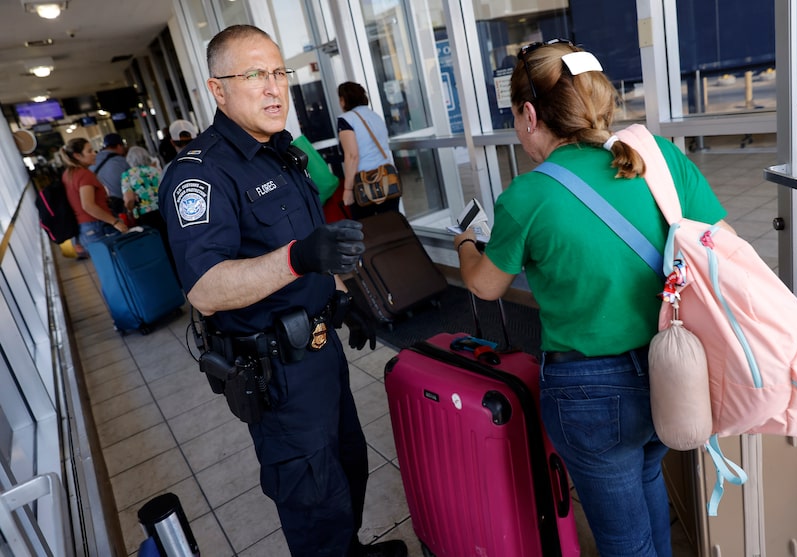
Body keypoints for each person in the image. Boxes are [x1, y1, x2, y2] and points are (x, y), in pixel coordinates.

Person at [453, 39, 734, 557]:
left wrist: (467, 244)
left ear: (531, 114)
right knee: (649, 474)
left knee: (623, 538)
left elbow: (485, 285)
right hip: (672, 366)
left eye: (516, 117)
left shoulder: (527, 195)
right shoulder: (660, 158)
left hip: (589, 392)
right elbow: (721, 246)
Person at [158, 24, 407, 557]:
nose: (274, 87)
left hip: (322, 352)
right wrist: (299, 260)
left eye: (278, 72)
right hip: (278, 372)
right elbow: (204, 288)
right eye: (254, 74)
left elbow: (314, 246)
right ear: (218, 89)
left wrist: (345, 299)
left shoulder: (283, 152)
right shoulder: (199, 175)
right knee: (313, 497)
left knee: (348, 466)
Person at [337, 81, 400, 220]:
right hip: (388, 179)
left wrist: (347, 189)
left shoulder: (346, 120)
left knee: (367, 230)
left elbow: (352, 155)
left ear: (343, 100)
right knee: (392, 225)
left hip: (365, 184)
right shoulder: (375, 116)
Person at [59, 137, 128, 250]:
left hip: (84, 228)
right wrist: (115, 222)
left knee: (106, 264)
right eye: (89, 151)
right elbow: (88, 205)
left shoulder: (68, 174)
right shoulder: (84, 174)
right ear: (77, 156)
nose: (94, 154)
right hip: (97, 226)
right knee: (119, 261)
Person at [121, 145, 172, 261]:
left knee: (154, 248)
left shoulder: (127, 175)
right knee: (168, 244)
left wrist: (129, 209)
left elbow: (129, 200)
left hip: (144, 216)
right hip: (163, 212)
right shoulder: (156, 171)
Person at [92, 132, 130, 216]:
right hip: (120, 204)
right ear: (119, 146)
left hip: (101, 205)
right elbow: (131, 182)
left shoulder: (93, 161)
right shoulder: (122, 161)